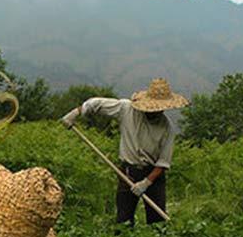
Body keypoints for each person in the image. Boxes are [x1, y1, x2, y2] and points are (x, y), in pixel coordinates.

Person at [61, 77, 188, 225]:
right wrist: (76, 113)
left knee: (157, 222)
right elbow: (97, 104)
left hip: (153, 176)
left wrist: (146, 183)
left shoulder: (167, 128)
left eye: (159, 108)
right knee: (123, 220)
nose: (155, 112)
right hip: (128, 172)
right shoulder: (126, 109)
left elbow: (163, 162)